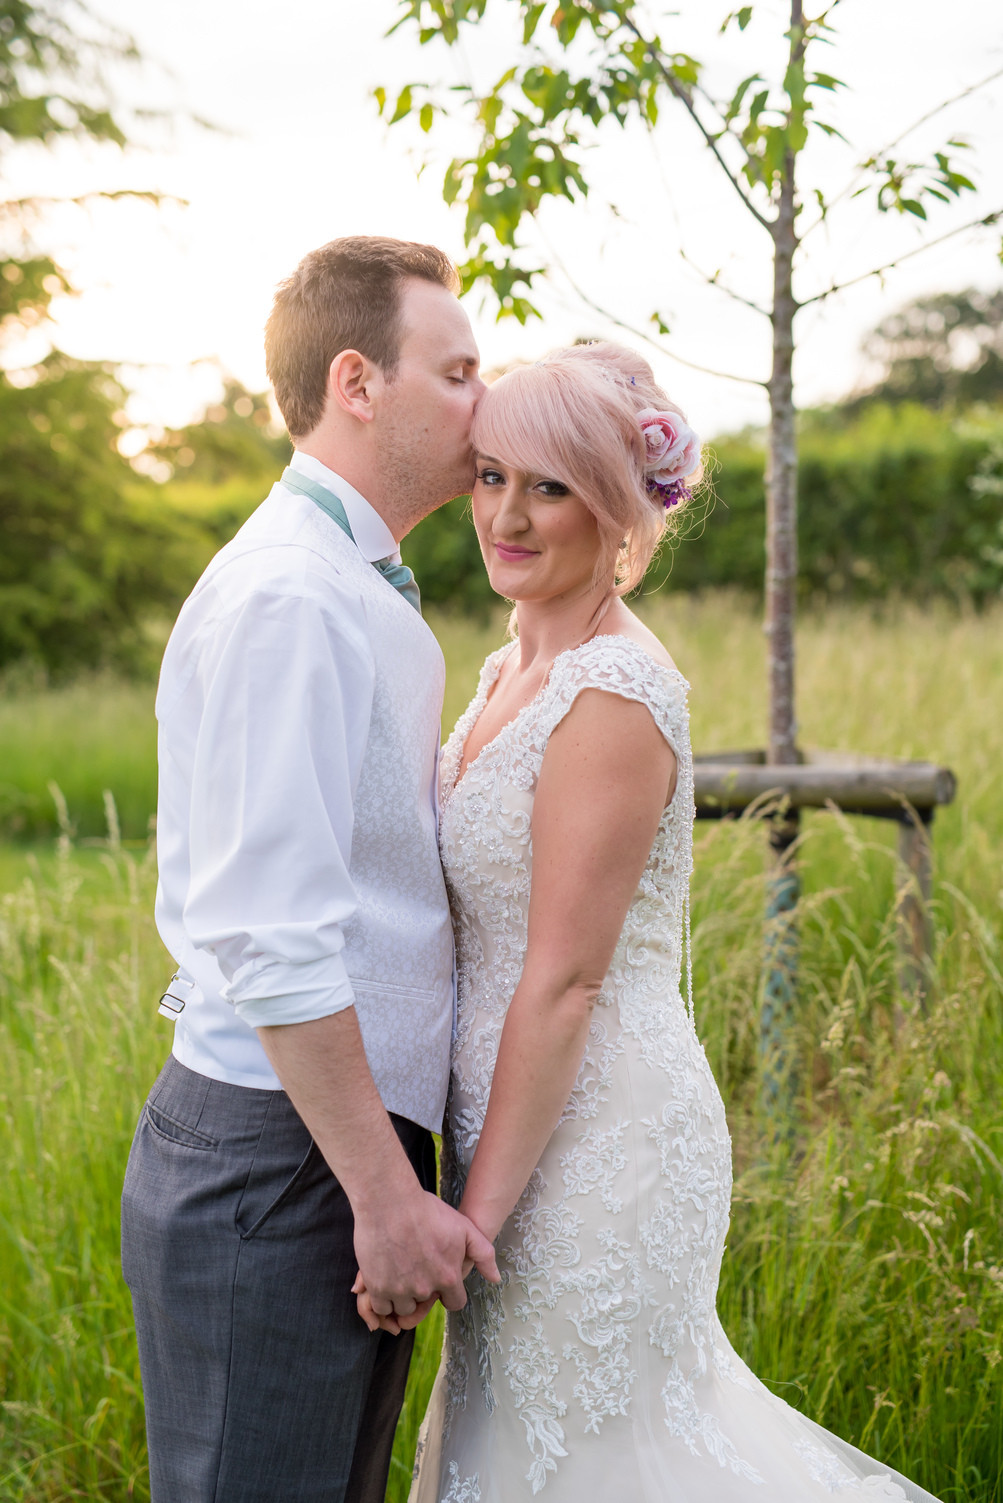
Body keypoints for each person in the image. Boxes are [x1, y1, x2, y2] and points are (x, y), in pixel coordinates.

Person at [406, 342, 944, 1502]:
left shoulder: (611, 693)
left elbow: (564, 980)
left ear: (616, 506)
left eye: (548, 486)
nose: (506, 513)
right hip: (511, 1127)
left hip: (593, 1139)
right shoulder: (514, 664)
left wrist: (476, 1213)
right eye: (492, 475)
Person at [120, 235, 499, 1503]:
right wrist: (386, 1199)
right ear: (357, 381)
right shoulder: (292, 595)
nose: (482, 403)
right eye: (456, 372)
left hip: (322, 1141)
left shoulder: (346, 584)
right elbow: (274, 936)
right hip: (287, 1158)